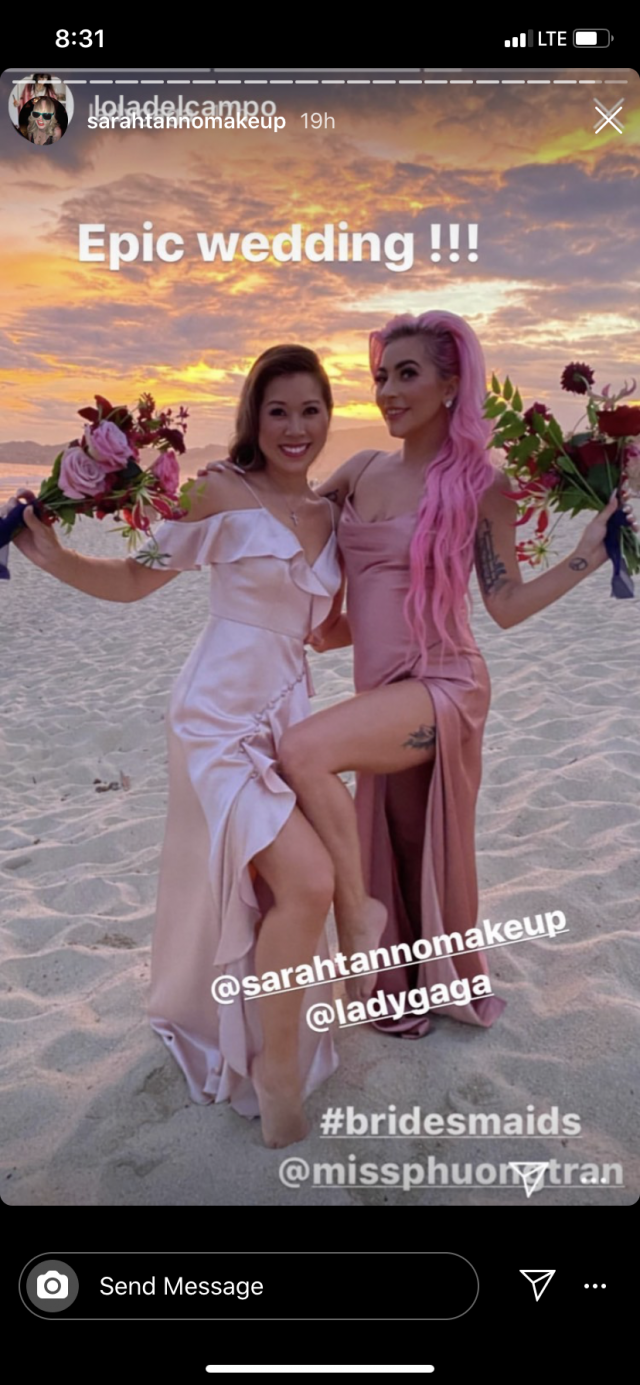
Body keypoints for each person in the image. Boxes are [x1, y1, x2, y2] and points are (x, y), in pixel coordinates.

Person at [4, 345, 350, 1149]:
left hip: (288, 719)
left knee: (277, 889)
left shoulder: (332, 514)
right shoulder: (218, 491)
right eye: (278, 410)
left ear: (329, 415)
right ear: (253, 417)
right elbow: (135, 579)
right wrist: (53, 556)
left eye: (310, 409)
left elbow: (324, 630)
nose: (295, 427)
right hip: (215, 720)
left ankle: (262, 1036)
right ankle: (274, 1068)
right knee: (309, 880)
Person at [262, 311, 617, 1033]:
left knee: (303, 750)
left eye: (407, 374)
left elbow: (505, 604)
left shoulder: (483, 484)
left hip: (444, 687)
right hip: (379, 688)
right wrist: (227, 483)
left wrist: (589, 554)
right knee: (401, 834)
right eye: (380, 377)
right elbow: (281, 520)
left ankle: (357, 914)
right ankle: (406, 984)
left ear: (452, 384)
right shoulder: (361, 471)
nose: (388, 392)